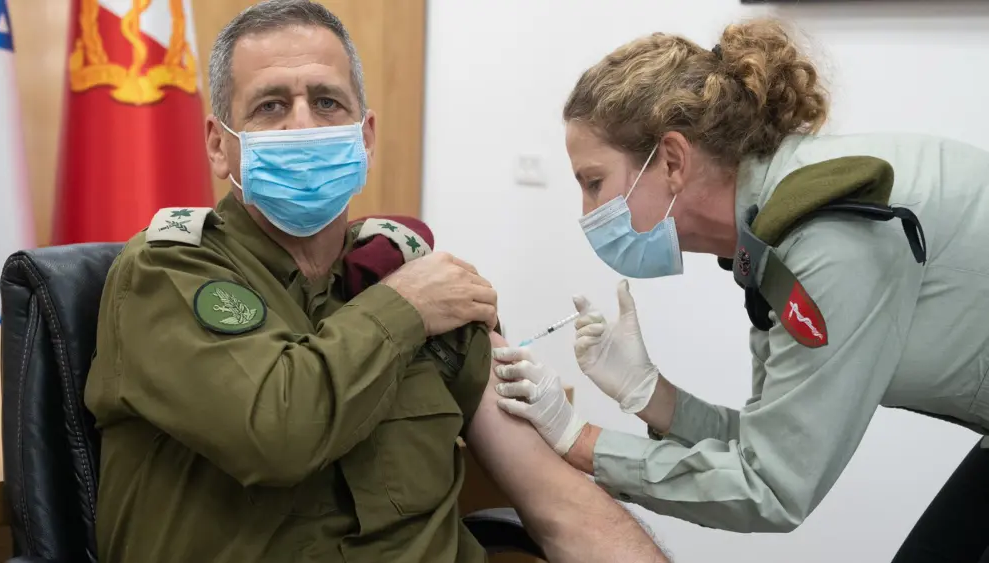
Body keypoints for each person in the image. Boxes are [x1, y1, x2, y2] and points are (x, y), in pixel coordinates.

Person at [83, 2, 671, 562]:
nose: (302, 125)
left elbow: (557, 501)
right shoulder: (167, 274)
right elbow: (278, 432)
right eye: (269, 106)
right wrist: (405, 305)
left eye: (327, 102)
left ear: (364, 136)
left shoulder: (399, 265)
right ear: (219, 144)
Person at [493, 17, 989, 563]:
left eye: (595, 183)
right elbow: (766, 444)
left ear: (673, 160)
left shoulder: (826, 237)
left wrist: (577, 439)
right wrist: (649, 394)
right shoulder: (775, 229)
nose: (587, 214)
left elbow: (771, 488)